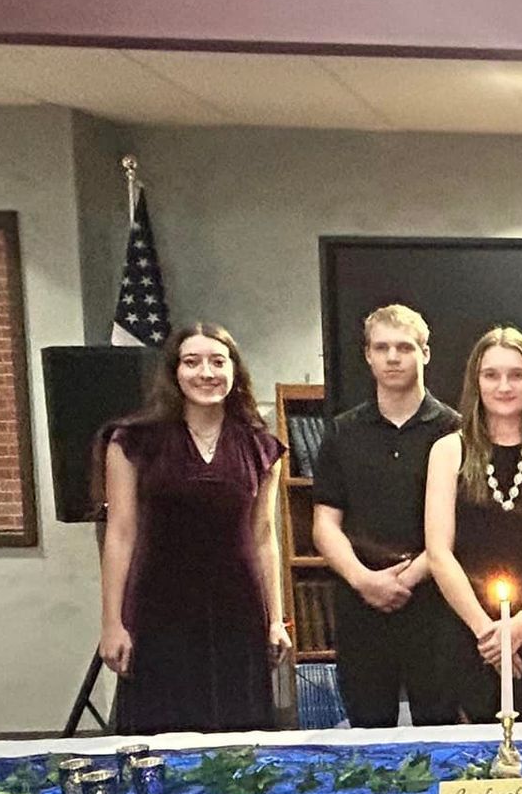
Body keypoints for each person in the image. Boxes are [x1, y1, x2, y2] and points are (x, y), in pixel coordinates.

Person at [99, 323, 288, 735]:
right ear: (174, 373)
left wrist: (276, 619)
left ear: (235, 371)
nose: (206, 373)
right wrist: (112, 622)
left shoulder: (261, 446)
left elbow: (264, 536)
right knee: (160, 733)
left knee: (240, 741)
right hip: (158, 609)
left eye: (218, 362)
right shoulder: (132, 441)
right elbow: (121, 533)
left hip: (237, 608)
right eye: (192, 362)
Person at [311, 304, 461, 728]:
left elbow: (457, 528)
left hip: (433, 602)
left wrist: (406, 579)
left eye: (404, 347)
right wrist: (365, 581)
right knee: (368, 730)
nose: (393, 357)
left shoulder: (454, 430)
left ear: (425, 354)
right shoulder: (342, 431)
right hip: (361, 603)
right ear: (368, 356)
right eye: (382, 348)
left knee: (439, 729)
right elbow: (325, 524)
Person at [424, 328, 522, 722]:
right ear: (475, 381)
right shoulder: (448, 451)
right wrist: (489, 634)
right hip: (468, 629)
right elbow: (439, 551)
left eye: (517, 374)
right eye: (491, 374)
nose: (504, 386)